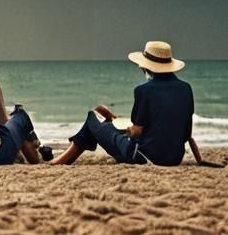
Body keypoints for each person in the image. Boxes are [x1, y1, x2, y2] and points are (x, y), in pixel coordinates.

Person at [51, 40, 204, 166]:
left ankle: (61, 161)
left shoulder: (144, 91)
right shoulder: (186, 89)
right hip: (175, 159)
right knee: (106, 125)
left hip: (144, 157)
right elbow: (186, 134)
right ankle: (62, 160)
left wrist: (122, 128)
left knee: (92, 117)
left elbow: (137, 132)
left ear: (146, 66)